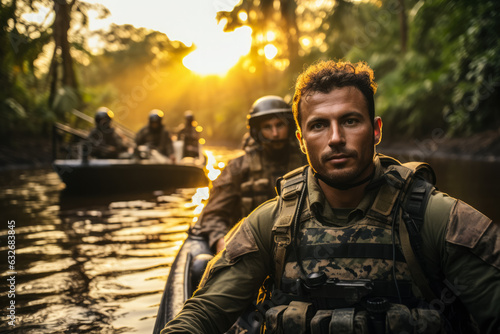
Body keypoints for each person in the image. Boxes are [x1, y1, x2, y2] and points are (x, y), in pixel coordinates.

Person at [161, 61, 500, 334]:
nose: (336, 138)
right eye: (319, 125)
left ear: (376, 130)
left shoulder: (435, 219)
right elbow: (204, 313)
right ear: (302, 139)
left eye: (350, 121)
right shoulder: (271, 223)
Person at [191, 95, 307, 253]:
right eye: (267, 127)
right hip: (253, 248)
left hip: (301, 245)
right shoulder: (238, 167)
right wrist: (220, 241)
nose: (275, 133)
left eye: (280, 125)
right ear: (257, 131)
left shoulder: (307, 161)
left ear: (290, 126)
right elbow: (214, 214)